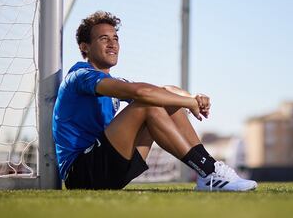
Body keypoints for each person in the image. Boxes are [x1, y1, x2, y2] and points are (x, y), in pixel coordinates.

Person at [52, 11, 257, 191]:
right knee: (147, 104)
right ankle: (208, 171)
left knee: (163, 98)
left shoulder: (112, 81)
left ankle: (209, 172)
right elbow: (141, 92)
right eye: (104, 39)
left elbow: (163, 91)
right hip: (81, 173)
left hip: (110, 169)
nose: (113, 43)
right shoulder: (80, 76)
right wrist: (188, 103)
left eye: (115, 38)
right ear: (85, 47)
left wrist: (191, 98)